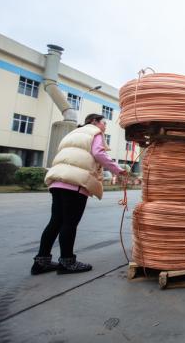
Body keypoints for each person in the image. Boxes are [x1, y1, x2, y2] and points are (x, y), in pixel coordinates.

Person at [31, 113, 127, 275]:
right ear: (94, 122)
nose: (105, 127)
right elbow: (98, 153)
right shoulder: (94, 132)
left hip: (57, 180)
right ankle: (67, 262)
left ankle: (41, 262)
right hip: (74, 183)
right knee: (69, 223)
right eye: (104, 123)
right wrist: (118, 170)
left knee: (55, 222)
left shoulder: (73, 134)